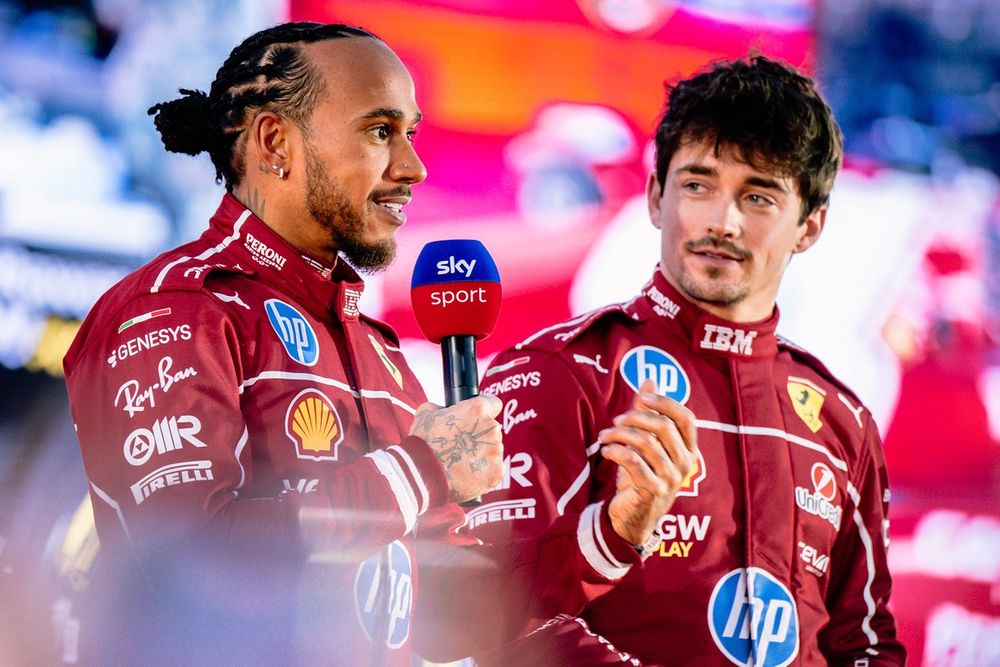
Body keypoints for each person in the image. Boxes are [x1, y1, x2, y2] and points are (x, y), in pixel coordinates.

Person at [62, 22, 691, 665]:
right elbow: (193, 565)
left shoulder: (377, 351)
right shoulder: (175, 310)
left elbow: (450, 614)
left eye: (410, 133)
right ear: (276, 142)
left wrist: (610, 532)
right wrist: (422, 467)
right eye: (379, 131)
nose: (412, 167)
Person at [465, 55, 907, 666]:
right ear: (655, 197)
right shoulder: (559, 372)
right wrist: (612, 533)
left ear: (809, 227)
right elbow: (487, 616)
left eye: (758, 197)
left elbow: (865, 645)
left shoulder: (843, 422)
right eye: (698, 186)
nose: (722, 223)